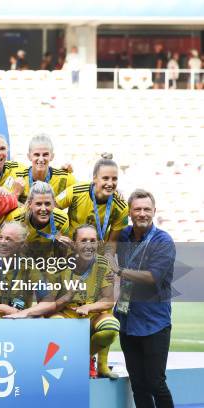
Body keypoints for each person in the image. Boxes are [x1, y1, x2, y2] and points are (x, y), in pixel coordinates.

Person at [111, 189, 175, 407]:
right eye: (137, 209)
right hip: (127, 320)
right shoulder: (124, 235)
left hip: (154, 322)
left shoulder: (163, 241)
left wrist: (120, 271)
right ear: (130, 212)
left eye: (147, 209)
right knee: (138, 384)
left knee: (156, 383)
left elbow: (152, 277)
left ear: (154, 211)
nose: (142, 213)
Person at [53, 224, 119, 379]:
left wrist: (90, 307)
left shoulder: (104, 263)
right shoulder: (60, 264)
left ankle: (87, 359)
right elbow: (48, 301)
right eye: (83, 241)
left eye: (92, 241)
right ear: (74, 244)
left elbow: (109, 301)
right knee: (54, 324)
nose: (88, 245)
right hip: (67, 315)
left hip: (92, 316)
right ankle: (65, 364)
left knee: (111, 327)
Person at [0, 222, 57, 318]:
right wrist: (2, 308)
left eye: (8, 239)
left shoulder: (28, 266)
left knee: (37, 317)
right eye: (1, 237)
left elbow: (49, 303)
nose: (2, 243)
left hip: (17, 320)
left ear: (21, 244)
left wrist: (25, 312)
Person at [55, 153, 128, 255]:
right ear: (94, 178)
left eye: (114, 179)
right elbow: (50, 209)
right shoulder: (76, 191)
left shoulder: (121, 207)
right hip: (70, 250)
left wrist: (106, 264)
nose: (110, 183)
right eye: (105, 178)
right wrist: (57, 235)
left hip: (95, 255)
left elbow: (112, 243)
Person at [4, 181, 71, 259]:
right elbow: (2, 248)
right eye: (38, 204)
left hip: (46, 260)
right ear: (29, 204)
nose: (43, 209)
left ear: (54, 204)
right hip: (21, 259)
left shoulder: (62, 219)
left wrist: (63, 247)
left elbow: (61, 255)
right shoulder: (15, 218)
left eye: (47, 204)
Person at [12, 134, 76, 203]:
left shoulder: (65, 179)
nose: (41, 159)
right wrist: (16, 194)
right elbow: (5, 210)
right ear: (29, 156)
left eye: (45, 154)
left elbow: (82, 195)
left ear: (52, 156)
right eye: (36, 154)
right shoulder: (16, 178)